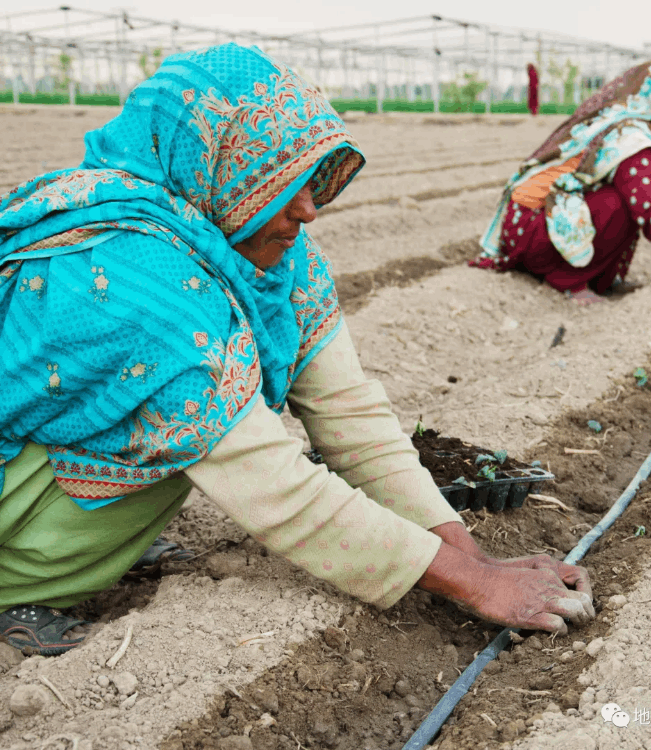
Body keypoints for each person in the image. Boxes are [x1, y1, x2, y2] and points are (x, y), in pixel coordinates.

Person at [0, 44, 593, 655]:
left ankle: (97, 542)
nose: (308, 209)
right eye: (282, 182)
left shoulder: (263, 244)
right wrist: (473, 586)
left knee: (194, 420)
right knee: (196, 420)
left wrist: (475, 559)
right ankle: (18, 584)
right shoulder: (132, 274)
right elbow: (277, 485)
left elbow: (349, 412)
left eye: (310, 179)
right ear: (218, 167)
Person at [471, 58, 651, 306]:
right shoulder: (630, 138)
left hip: (547, 221)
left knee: (628, 199)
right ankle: (567, 281)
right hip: (529, 226)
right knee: (618, 204)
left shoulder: (642, 132)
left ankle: (601, 279)